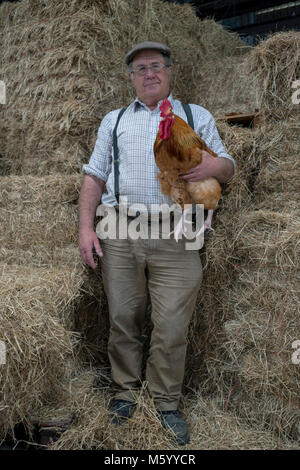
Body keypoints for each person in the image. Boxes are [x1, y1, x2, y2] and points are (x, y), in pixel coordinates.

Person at [79, 41, 236, 446]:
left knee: (171, 326)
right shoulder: (113, 120)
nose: (149, 73)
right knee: (123, 319)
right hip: (121, 229)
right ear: (130, 78)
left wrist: (211, 165)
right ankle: (125, 394)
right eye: (140, 68)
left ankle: (166, 403)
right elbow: (94, 175)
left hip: (178, 232)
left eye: (156, 66)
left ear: (170, 72)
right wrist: (86, 228)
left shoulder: (194, 116)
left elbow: (228, 167)